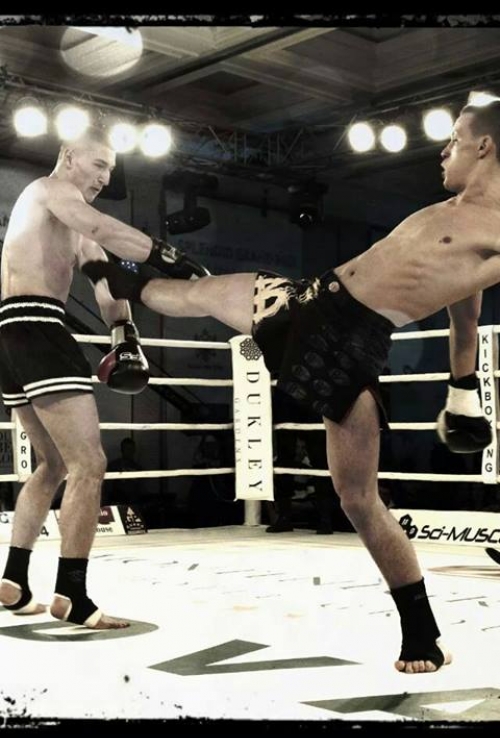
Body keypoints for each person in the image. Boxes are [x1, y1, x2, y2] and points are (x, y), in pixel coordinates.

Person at [82, 95, 500, 669]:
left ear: (485, 146)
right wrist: (461, 387)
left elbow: (468, 312)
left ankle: (421, 633)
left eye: (455, 138)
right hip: (308, 300)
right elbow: (464, 312)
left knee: (358, 499)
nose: (444, 150)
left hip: (350, 344)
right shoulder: (447, 211)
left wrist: (464, 391)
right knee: (188, 292)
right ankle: (111, 284)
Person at [0, 126, 209, 630]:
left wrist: (124, 333)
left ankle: (13, 581)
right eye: (99, 165)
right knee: (89, 463)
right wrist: (170, 257)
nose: (105, 178)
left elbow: (105, 282)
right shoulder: (50, 191)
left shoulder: (73, 222)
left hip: (12, 332)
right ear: (69, 155)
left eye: (111, 171)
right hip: (37, 325)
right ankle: (72, 594)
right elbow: (105, 227)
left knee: (52, 464)